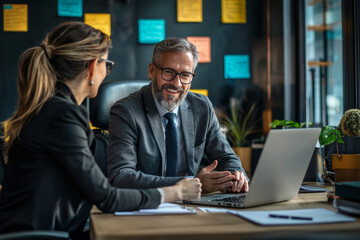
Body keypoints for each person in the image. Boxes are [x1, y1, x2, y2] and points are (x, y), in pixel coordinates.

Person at [0, 22, 201, 239]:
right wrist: (175, 192)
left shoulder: (52, 107)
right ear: (92, 66)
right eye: (107, 64)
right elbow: (107, 198)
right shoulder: (63, 115)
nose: (106, 71)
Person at [107, 37, 249, 194]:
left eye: (185, 75)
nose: (177, 83)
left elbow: (227, 158)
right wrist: (190, 185)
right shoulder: (126, 111)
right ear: (151, 71)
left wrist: (237, 176)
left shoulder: (201, 107)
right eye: (168, 72)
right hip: (149, 206)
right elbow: (121, 176)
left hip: (196, 206)